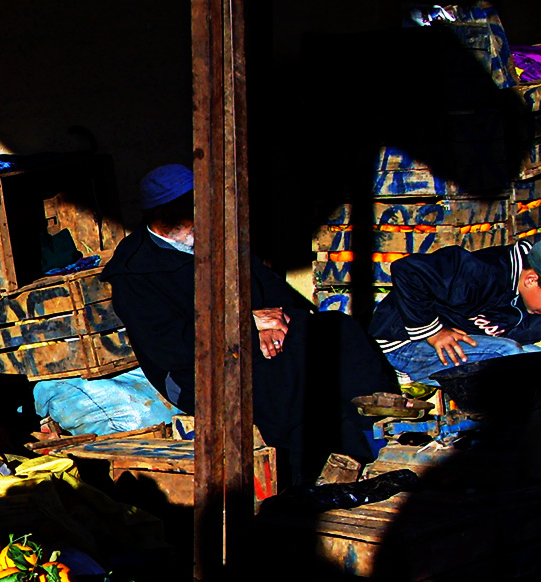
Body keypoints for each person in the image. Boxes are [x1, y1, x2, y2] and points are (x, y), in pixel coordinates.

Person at [104, 165, 386, 483]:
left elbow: (275, 293)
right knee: (279, 374)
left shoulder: (215, 241)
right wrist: (248, 328)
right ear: (165, 215)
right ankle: (308, 473)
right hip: (195, 371)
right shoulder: (134, 273)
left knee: (335, 330)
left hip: (258, 338)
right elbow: (171, 348)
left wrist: (271, 329)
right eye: (194, 208)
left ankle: (378, 429)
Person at [368, 239, 541, 382]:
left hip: (465, 346)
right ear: (531, 280)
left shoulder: (530, 298)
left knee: (534, 356)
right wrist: (432, 332)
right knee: (508, 354)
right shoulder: (480, 272)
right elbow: (409, 270)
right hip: (403, 346)